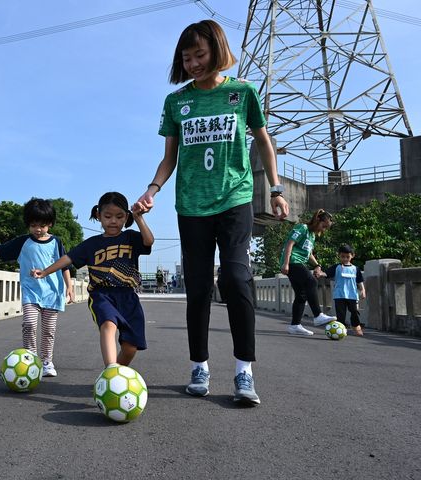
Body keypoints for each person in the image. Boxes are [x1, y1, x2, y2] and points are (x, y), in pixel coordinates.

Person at [136, 20, 289, 406]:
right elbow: (169, 158)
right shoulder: (177, 102)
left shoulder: (242, 92)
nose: (193, 64)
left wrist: (275, 189)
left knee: (237, 278)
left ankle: (243, 371)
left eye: (200, 55)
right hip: (191, 205)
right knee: (200, 287)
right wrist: (152, 190)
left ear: (217, 51)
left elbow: (264, 143)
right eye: (186, 58)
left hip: (235, 199)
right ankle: (199, 364)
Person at [32, 192, 154, 368]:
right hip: (102, 295)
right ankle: (111, 370)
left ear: (126, 217)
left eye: (119, 217)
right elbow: (67, 259)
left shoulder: (131, 238)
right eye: (108, 216)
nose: (113, 221)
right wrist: (44, 272)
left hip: (128, 296)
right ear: (99, 216)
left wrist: (139, 218)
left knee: (130, 347)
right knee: (108, 324)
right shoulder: (91, 244)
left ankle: (115, 375)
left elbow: (149, 241)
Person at [0, 198, 74, 377]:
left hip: (52, 293)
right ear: (28, 224)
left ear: (50, 223)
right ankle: (31, 359)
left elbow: (64, 265)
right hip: (31, 293)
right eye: (33, 225)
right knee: (29, 324)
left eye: (42, 225)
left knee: (49, 330)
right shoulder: (23, 242)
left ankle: (47, 361)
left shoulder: (56, 242)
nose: (38, 229)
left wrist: (69, 287)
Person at [280, 209, 336, 336]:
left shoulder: (312, 235)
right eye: (324, 226)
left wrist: (317, 265)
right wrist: (286, 263)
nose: (324, 230)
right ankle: (317, 315)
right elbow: (290, 244)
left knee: (301, 295)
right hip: (293, 261)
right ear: (317, 220)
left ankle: (295, 326)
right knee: (311, 281)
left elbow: (309, 254)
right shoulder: (302, 228)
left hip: (299, 262)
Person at [323, 244, 366, 336]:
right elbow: (326, 274)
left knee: (354, 311)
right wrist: (320, 273)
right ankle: (341, 329)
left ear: (352, 256)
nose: (345, 259)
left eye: (347, 257)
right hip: (339, 294)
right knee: (341, 314)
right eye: (343, 257)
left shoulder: (355, 269)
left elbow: (359, 281)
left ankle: (356, 327)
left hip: (352, 294)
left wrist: (363, 290)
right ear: (339, 256)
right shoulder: (336, 267)